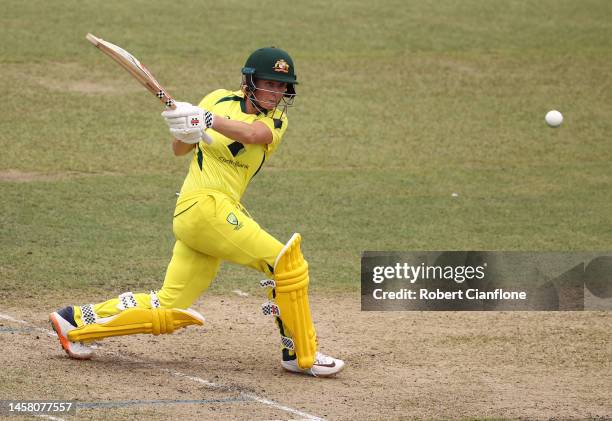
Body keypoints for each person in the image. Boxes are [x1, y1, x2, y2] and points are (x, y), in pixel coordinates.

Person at [49, 47, 345, 377]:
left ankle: (74, 320)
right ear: (249, 82)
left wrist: (205, 120)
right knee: (286, 263)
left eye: (282, 86)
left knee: (169, 305)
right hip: (204, 206)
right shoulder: (217, 99)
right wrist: (184, 130)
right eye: (270, 84)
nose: (276, 93)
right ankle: (301, 353)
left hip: (207, 217)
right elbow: (180, 150)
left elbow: (252, 134)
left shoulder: (275, 120)